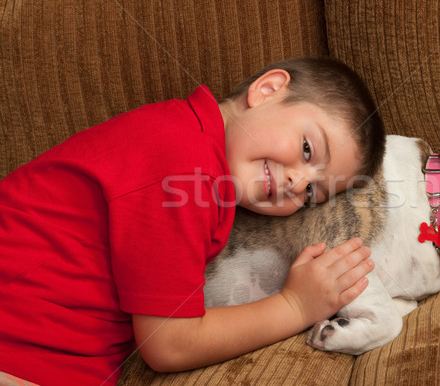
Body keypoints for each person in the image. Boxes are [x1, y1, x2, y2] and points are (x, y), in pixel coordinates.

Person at [0, 57, 385, 385]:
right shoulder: (183, 163)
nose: (297, 182)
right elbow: (169, 344)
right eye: (306, 148)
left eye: (312, 194)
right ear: (266, 90)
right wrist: (296, 306)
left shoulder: (202, 167)